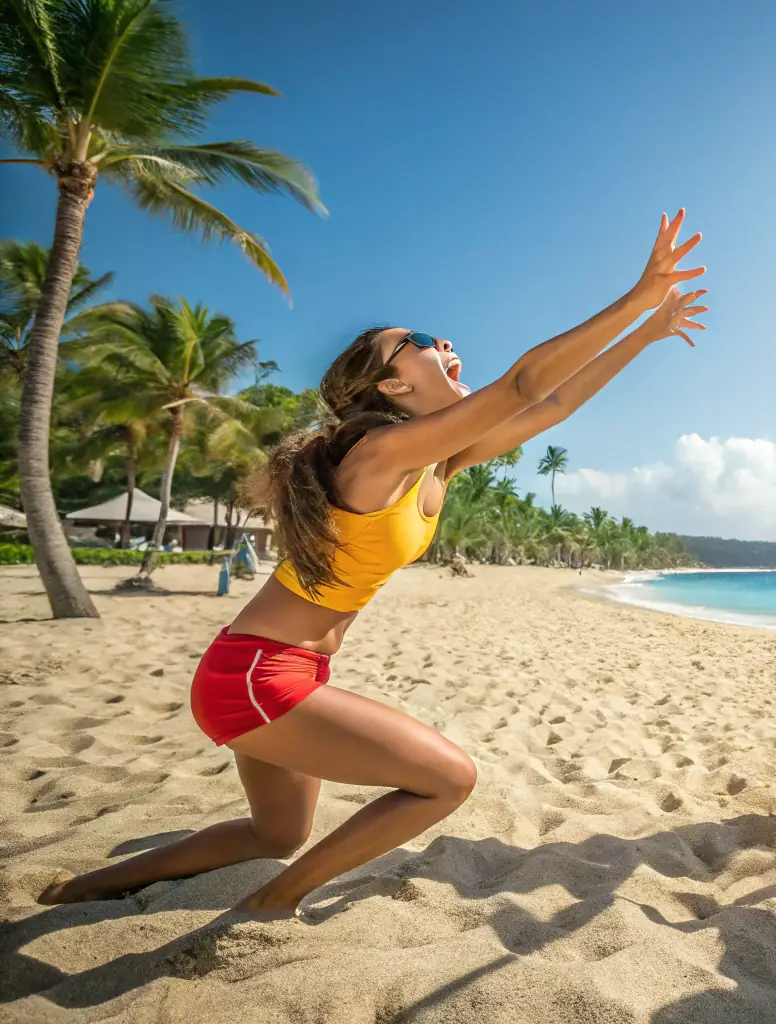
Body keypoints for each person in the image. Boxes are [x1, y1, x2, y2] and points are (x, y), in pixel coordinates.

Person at [39, 212, 708, 919]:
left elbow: (554, 401)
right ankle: (272, 904)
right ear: (390, 387)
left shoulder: (438, 461)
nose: (443, 342)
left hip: (279, 670)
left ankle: (84, 889)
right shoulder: (377, 458)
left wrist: (648, 331)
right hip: (258, 676)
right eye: (418, 342)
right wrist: (637, 296)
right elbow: (519, 387)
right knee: (448, 780)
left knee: (278, 832)